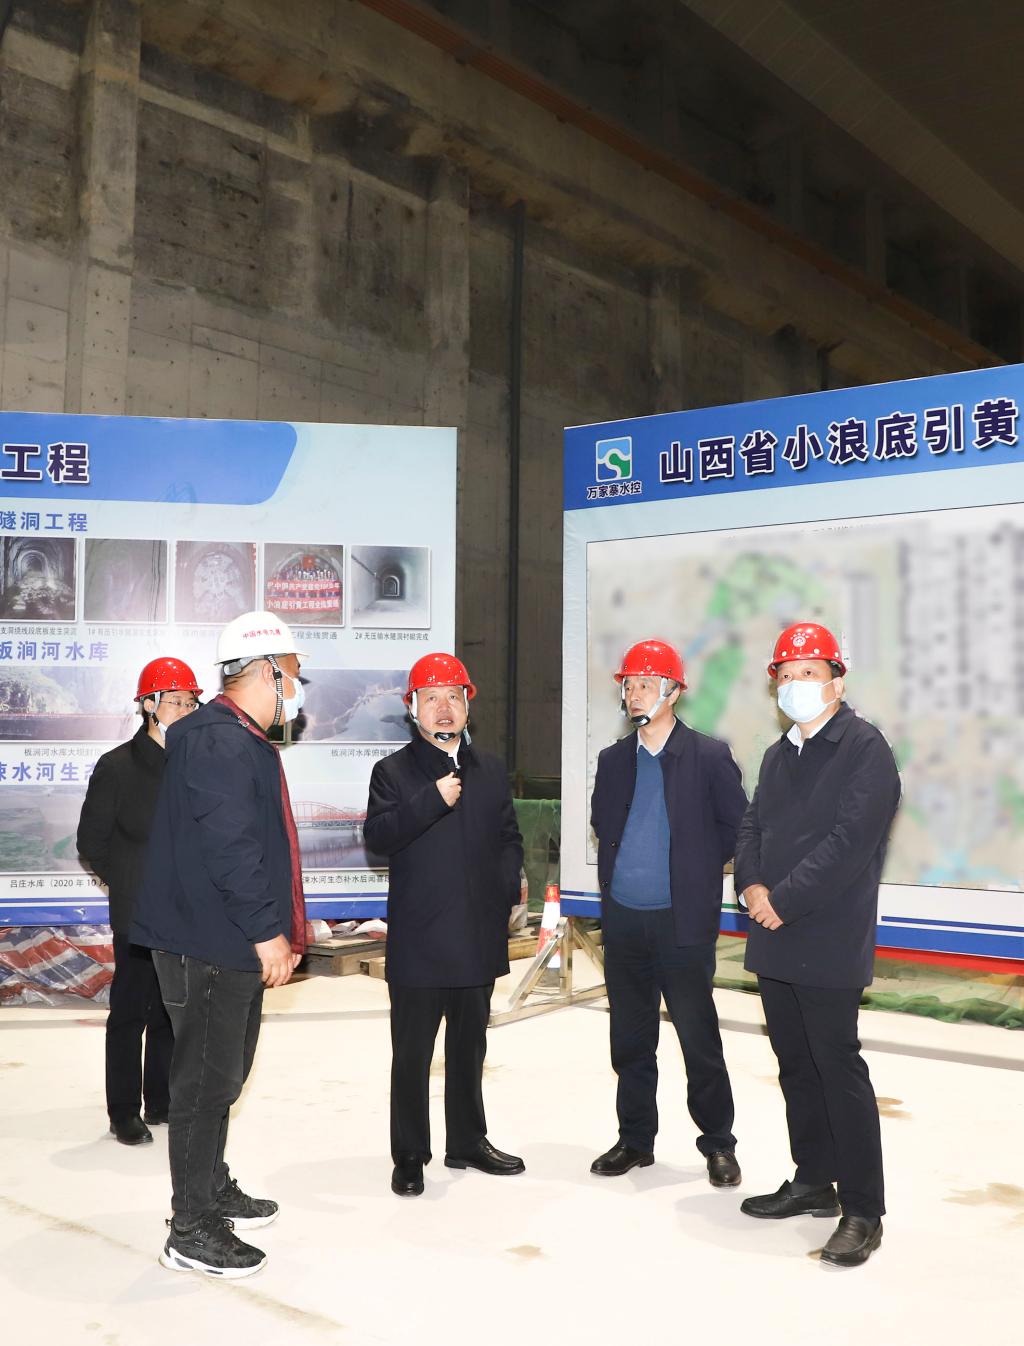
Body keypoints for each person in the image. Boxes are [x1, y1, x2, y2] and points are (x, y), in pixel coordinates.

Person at [132, 611, 308, 1278]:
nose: (298, 687)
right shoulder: (217, 741)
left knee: (222, 1076)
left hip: (224, 940)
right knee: (204, 1084)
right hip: (208, 942)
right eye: (293, 673)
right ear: (267, 671)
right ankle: (191, 1228)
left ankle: (211, 1186)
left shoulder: (234, 738)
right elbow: (229, 846)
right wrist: (267, 930)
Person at [733, 622, 901, 1269]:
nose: (795, 683)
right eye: (786, 674)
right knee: (795, 1064)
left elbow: (849, 843)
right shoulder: (780, 755)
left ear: (837, 682)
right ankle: (812, 1182)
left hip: (826, 934)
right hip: (775, 934)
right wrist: (751, 885)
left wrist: (783, 899)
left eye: (808, 672)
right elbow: (752, 825)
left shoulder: (865, 749)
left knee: (837, 1067)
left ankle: (863, 1208)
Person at [364, 652, 524, 1199]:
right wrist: (431, 800)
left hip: (477, 936)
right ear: (413, 708)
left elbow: (509, 838)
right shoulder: (392, 772)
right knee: (412, 1055)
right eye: (431, 698)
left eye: (454, 696)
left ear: (467, 706)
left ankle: (468, 1141)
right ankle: (410, 1155)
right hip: (421, 942)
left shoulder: (491, 769)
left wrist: (504, 890)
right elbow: (379, 838)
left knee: (469, 1047)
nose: (444, 708)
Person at [589, 639, 749, 1186]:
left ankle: (718, 1144)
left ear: (673, 691)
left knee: (698, 1039)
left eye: (646, 684)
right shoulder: (613, 760)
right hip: (624, 920)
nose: (635, 694)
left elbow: (737, 828)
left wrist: (695, 868)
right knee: (630, 1039)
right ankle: (635, 1140)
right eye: (629, 685)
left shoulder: (708, 756)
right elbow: (604, 823)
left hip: (682, 924)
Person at [77, 658, 202, 1146]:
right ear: (149, 705)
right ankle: (124, 1110)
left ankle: (162, 1100)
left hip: (184, 911)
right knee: (130, 1011)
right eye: (176, 702)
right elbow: (92, 842)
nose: (185, 711)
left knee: (172, 1009)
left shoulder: (194, 764)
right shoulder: (117, 766)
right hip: (137, 911)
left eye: (191, 703)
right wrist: (129, 883)